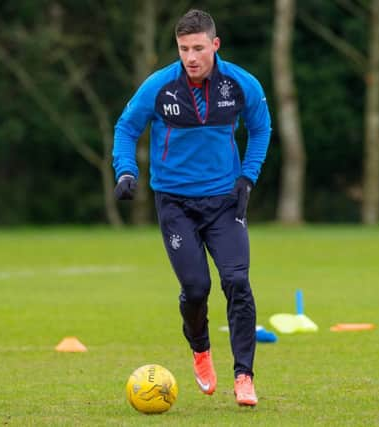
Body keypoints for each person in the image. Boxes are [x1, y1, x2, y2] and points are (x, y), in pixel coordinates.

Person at [112, 9, 271, 406]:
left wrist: (247, 176)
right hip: (175, 203)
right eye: (184, 49)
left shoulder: (240, 84)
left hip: (224, 201)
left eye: (199, 47)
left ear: (215, 45)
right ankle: (200, 350)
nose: (191, 56)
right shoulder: (160, 86)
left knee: (237, 282)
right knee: (197, 288)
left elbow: (261, 127)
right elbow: (126, 127)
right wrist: (125, 171)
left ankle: (244, 376)